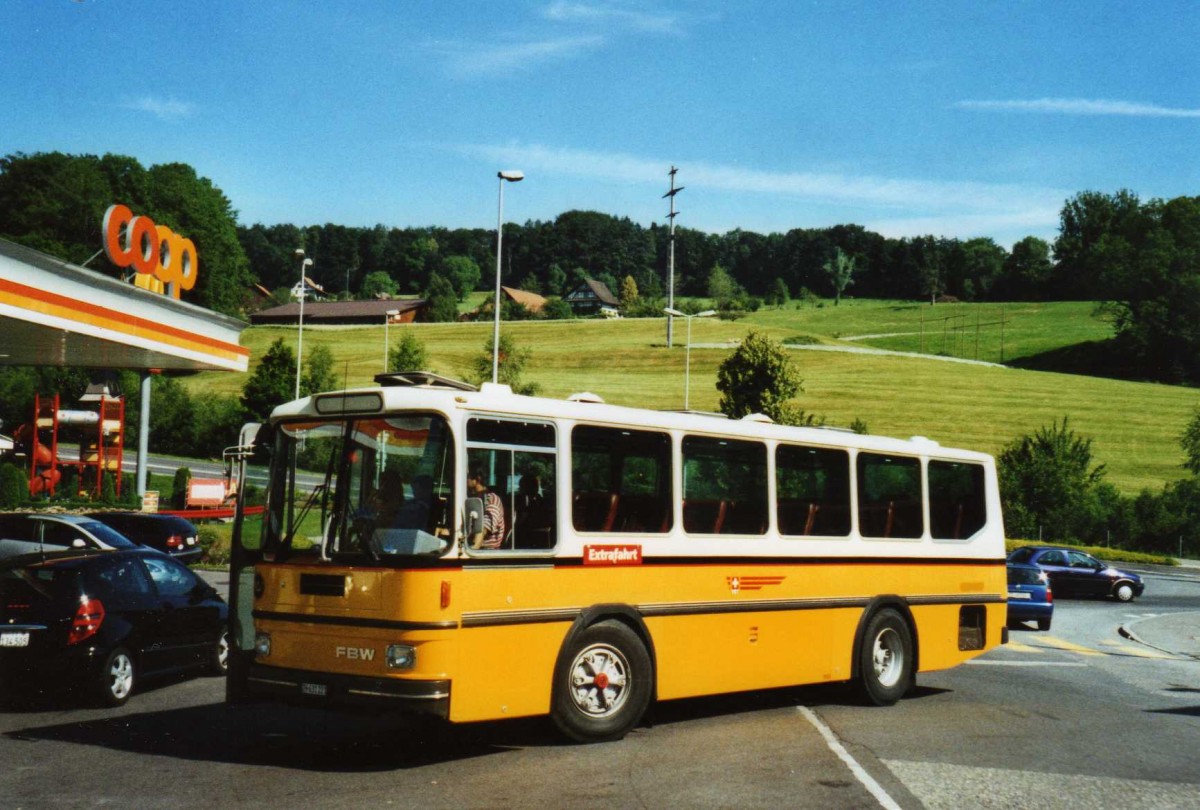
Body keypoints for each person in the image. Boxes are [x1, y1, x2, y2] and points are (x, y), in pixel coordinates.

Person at [468, 468, 506, 549]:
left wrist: (473, 548)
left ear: (477, 479)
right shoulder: (471, 499)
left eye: (467, 477)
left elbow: (484, 529)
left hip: (487, 550)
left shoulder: (492, 499)